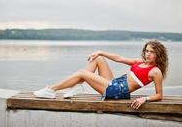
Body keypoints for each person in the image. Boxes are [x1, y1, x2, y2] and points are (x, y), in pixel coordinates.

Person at [34, 40, 168, 109]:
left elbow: (159, 95)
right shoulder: (141, 62)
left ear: (158, 54)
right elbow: (119, 58)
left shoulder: (155, 71)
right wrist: (100, 52)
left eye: (151, 52)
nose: (147, 53)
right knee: (98, 59)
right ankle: (78, 85)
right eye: (146, 51)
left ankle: (51, 90)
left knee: (82, 73)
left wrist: (145, 99)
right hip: (116, 83)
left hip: (118, 91)